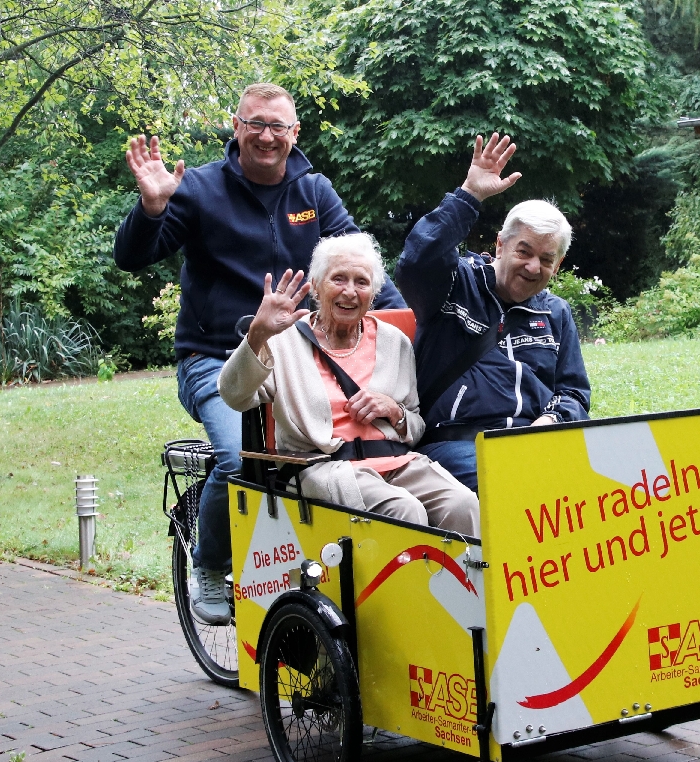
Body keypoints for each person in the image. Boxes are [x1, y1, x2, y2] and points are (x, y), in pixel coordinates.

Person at [113, 83, 404, 625]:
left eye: (278, 126)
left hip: (300, 356)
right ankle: (210, 564)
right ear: (236, 126)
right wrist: (152, 209)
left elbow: (358, 263)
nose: (267, 136)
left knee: (340, 452)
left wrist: (402, 326)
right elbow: (134, 256)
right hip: (213, 357)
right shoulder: (198, 188)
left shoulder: (313, 191)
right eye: (256, 124)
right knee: (240, 457)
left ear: (295, 134)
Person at [218, 233, 480, 537]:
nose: (350, 292)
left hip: (398, 462)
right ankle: (400, 586)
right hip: (326, 469)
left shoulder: (394, 342)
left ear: (373, 293)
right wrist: (257, 335)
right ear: (315, 286)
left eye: (362, 282)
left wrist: (394, 410)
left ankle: (465, 586)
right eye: (338, 279)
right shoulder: (283, 342)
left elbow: (415, 426)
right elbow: (234, 396)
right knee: (403, 510)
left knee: (463, 505)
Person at [395, 134, 590, 492]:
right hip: (457, 444)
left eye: (546, 260)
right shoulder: (456, 284)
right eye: (524, 251)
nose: (533, 267)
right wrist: (470, 194)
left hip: (538, 444)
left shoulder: (556, 313)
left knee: (613, 486)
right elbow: (415, 264)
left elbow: (575, 393)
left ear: (558, 265)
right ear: (500, 244)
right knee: (517, 487)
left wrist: (552, 420)